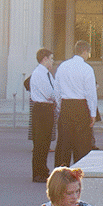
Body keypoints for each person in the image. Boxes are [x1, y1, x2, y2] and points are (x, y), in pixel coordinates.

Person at [54, 40, 98, 165]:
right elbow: (90, 93)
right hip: (81, 106)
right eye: (88, 53)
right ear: (84, 52)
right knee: (82, 143)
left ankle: (61, 174)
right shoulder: (87, 69)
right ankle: (81, 173)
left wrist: (60, 106)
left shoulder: (63, 66)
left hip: (66, 105)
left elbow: (56, 89)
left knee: (64, 143)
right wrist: (92, 112)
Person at [29, 48, 57, 182]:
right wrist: (58, 96)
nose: (52, 62)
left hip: (47, 108)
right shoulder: (39, 73)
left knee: (45, 142)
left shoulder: (46, 73)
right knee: (40, 142)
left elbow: (54, 88)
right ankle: (38, 172)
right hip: (42, 108)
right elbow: (50, 93)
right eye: (51, 59)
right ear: (45, 59)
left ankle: (43, 169)